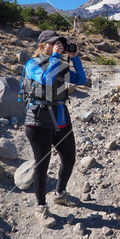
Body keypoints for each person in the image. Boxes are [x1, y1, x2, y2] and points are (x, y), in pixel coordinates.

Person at [20, 30, 87, 228]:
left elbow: (82, 80)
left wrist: (75, 58)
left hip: (60, 117)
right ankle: (41, 207)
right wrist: (57, 56)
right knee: (42, 165)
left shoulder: (61, 64)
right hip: (38, 120)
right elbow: (47, 80)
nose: (58, 46)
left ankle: (60, 194)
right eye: (53, 43)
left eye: (60, 43)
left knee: (69, 158)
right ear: (42, 46)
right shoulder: (31, 64)